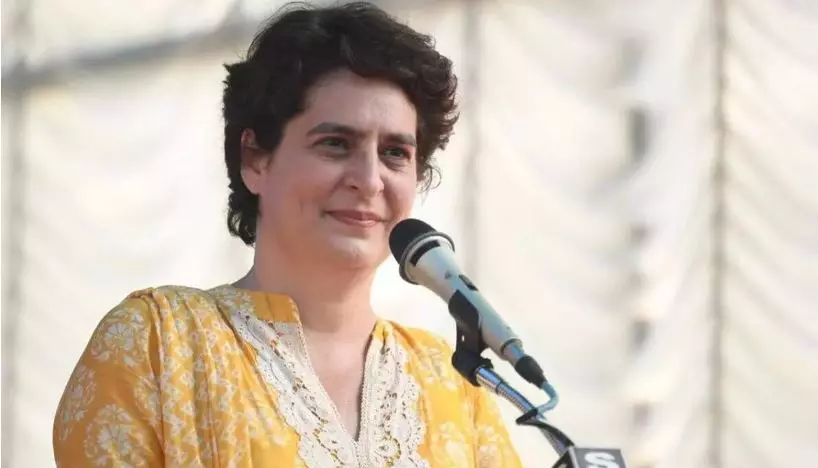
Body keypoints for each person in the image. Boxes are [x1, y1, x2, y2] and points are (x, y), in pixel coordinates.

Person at [52, 2, 522, 466]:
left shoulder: (454, 385)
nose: (369, 180)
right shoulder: (157, 343)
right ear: (256, 159)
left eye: (395, 153)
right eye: (335, 144)